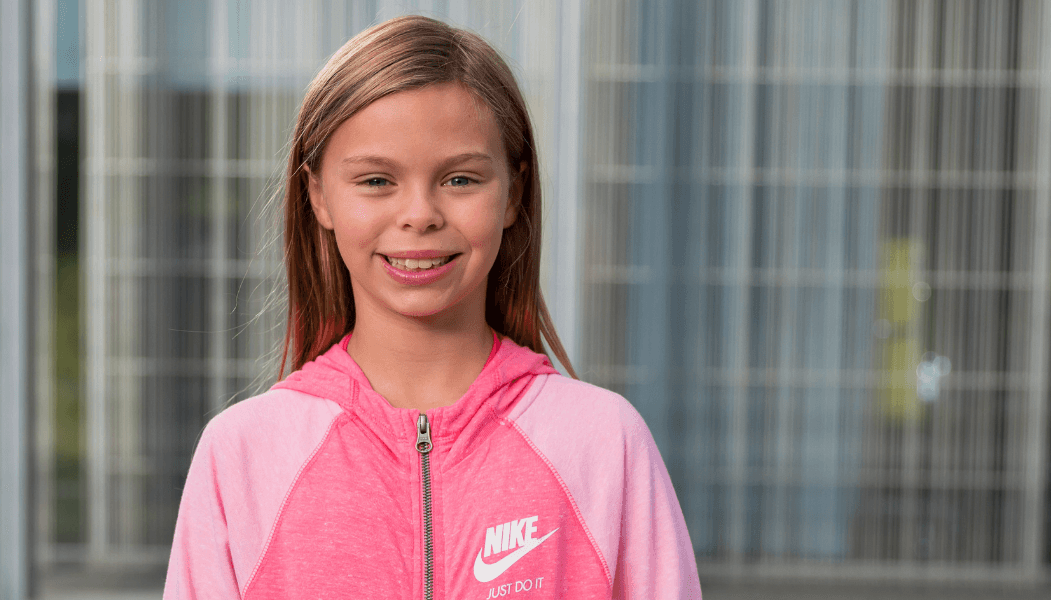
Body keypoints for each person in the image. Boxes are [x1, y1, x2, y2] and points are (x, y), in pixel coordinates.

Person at [164, 15, 699, 600]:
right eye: (376, 181)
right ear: (319, 195)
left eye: (461, 180)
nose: (420, 215)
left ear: (514, 192)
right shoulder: (242, 455)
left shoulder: (605, 443)